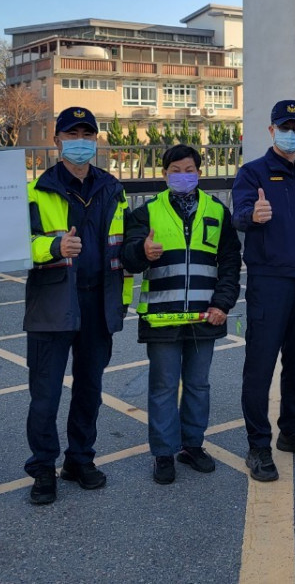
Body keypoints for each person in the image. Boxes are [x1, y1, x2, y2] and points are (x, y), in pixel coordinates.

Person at [23, 107, 130, 504]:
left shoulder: (113, 188)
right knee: (45, 394)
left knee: (90, 389)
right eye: (72, 133)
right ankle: (43, 467)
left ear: (96, 140)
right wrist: (51, 246)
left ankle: (80, 459)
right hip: (53, 301)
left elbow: (127, 243)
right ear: (57, 140)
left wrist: (142, 252)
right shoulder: (35, 191)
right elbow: (14, 245)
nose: (81, 141)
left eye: (88, 133)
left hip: (99, 301)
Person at [121, 144, 241, 485]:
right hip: (162, 317)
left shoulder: (217, 211)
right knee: (162, 386)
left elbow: (231, 262)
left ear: (199, 173)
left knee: (198, 386)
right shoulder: (146, 212)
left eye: (188, 169)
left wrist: (222, 303)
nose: (182, 176)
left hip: (206, 316)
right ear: (164, 174)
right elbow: (128, 259)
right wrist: (141, 252)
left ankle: (192, 445)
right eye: (174, 170)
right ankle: (163, 452)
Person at [232, 99, 295, 482]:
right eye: (284, 127)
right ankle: (258, 444)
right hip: (268, 281)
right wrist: (251, 216)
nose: (291, 134)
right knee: (259, 366)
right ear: (271, 130)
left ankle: (292, 430)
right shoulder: (252, 173)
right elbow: (238, 215)